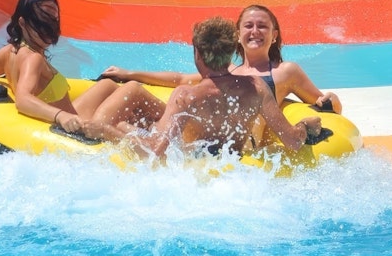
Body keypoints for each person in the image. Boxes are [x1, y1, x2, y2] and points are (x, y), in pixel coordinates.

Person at [0, 0, 164, 140]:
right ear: (22, 23)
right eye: (42, 21)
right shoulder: (33, 58)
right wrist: (61, 116)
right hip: (83, 127)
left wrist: (5, 82)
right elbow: (23, 99)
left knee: (108, 85)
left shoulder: (8, 53)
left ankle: (151, 128)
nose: (49, 28)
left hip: (77, 114)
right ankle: (176, 124)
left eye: (53, 19)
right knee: (132, 89)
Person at [130, 17, 322, 159]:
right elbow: (293, 141)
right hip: (234, 166)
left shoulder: (186, 95)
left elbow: (157, 151)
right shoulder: (256, 87)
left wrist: (123, 134)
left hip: (196, 167)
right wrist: (304, 126)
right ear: (231, 53)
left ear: (198, 54)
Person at [101, 4, 342, 114]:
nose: (255, 31)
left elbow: (325, 102)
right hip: (210, 135)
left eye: (262, 26)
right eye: (248, 26)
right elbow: (180, 79)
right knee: (125, 90)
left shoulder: (285, 71)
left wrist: (331, 98)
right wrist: (128, 73)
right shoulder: (228, 70)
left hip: (241, 145)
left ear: (274, 35)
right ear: (237, 35)